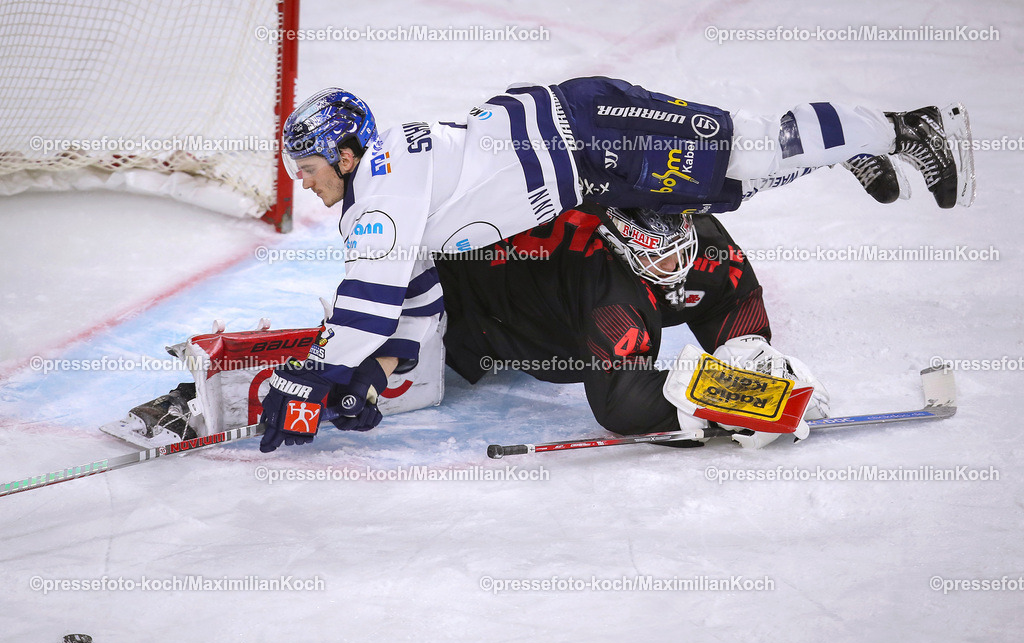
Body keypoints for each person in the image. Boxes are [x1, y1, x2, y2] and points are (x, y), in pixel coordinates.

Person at [258, 77, 972, 452]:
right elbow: (405, 310)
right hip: (587, 157)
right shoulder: (385, 186)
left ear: (347, 153)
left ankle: (907, 129)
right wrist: (365, 382)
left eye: (311, 165)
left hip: (592, 136)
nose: (304, 179)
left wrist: (310, 371)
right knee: (740, 176)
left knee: (750, 155)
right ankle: (858, 146)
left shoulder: (381, 195)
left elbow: (369, 301)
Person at [435, 204, 827, 448]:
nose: (676, 267)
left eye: (681, 247)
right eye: (658, 256)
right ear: (619, 245)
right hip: (460, 301)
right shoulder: (608, 287)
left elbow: (730, 296)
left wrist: (752, 353)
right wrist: (732, 399)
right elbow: (620, 401)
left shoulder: (699, 233)